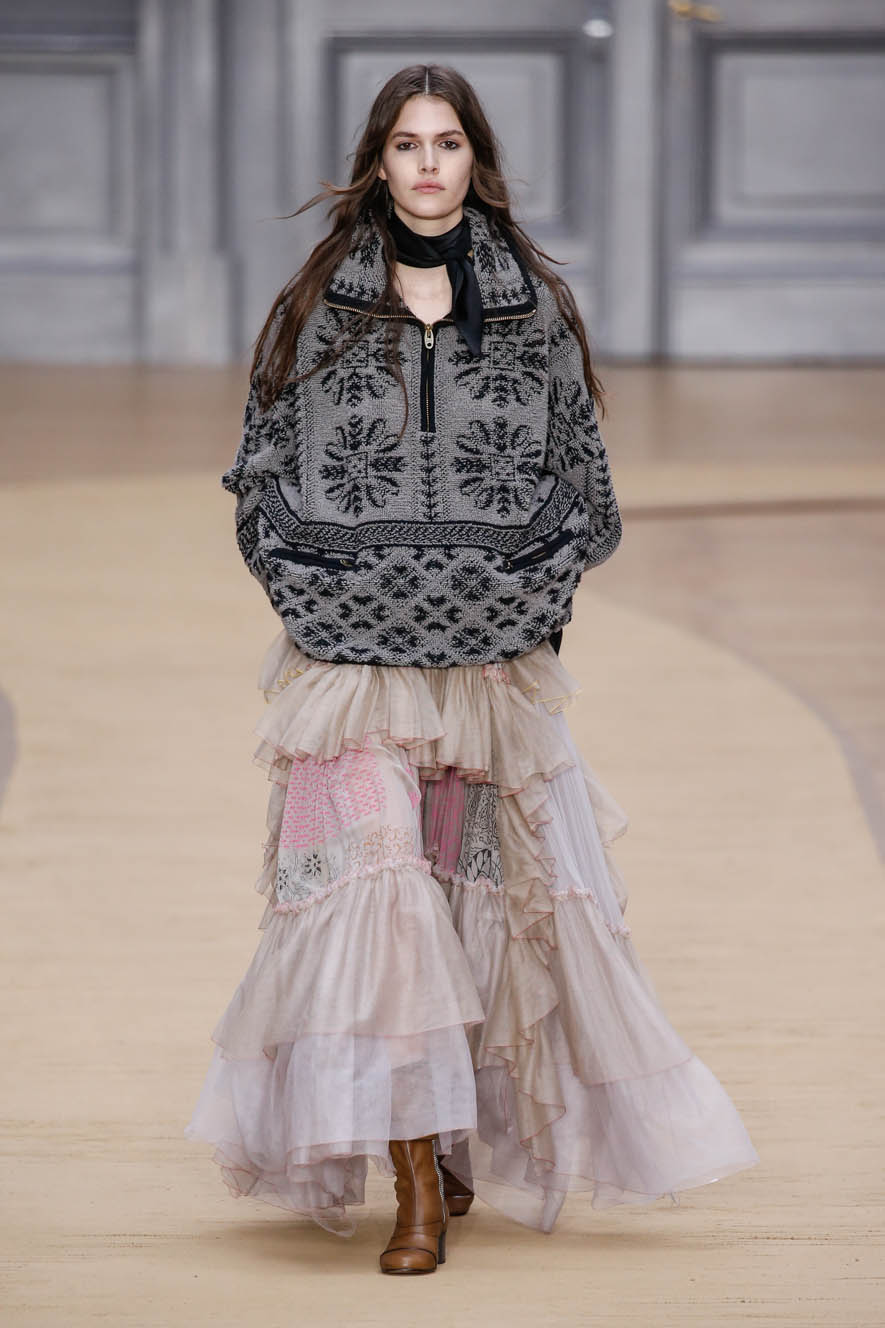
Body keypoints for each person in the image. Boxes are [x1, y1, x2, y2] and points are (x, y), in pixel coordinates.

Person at [185, 63, 759, 1275]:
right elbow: (259, 476)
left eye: (447, 142)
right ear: (378, 163)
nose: (428, 164)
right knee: (380, 890)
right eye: (407, 144)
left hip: (489, 674)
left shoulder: (533, 307)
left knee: (471, 901)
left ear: (476, 162)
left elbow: (584, 486)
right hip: (349, 666)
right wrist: (314, 590)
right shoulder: (317, 309)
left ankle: (445, 1131)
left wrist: (528, 599)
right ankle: (413, 1187)